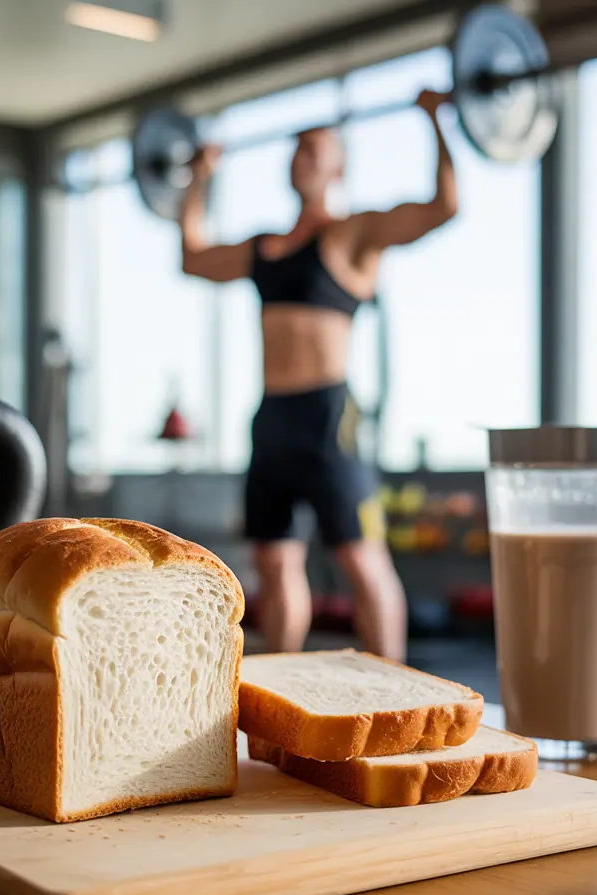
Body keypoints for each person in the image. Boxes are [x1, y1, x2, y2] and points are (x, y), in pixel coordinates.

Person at [178, 90, 457, 663]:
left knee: (362, 559)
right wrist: (200, 179)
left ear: (338, 167)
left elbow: (442, 207)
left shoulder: (352, 236)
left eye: (315, 149)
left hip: (329, 417)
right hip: (273, 418)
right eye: (298, 150)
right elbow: (193, 257)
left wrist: (437, 121)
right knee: (275, 562)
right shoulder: (263, 249)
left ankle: (395, 691)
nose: (303, 158)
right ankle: (283, 689)